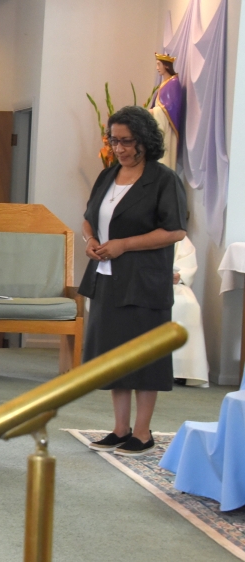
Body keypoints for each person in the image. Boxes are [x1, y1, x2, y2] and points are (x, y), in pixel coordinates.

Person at [80, 105, 187, 457]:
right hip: (108, 279)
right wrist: (91, 242)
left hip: (144, 282)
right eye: (115, 141)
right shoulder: (108, 175)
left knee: (143, 357)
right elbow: (89, 217)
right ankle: (120, 429)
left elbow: (174, 231)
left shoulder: (163, 179)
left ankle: (142, 434)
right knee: (115, 356)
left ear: (144, 140)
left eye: (127, 141)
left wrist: (124, 244)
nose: (120, 148)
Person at [171, 236, 209, 387]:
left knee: (187, 304)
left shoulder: (177, 236)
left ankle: (181, 371)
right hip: (139, 284)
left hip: (170, 284)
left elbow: (185, 265)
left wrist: (179, 275)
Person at [150, 53, 182, 170]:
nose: (157, 68)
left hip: (166, 128)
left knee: (164, 156)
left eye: (159, 64)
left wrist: (155, 112)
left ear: (166, 66)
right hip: (159, 126)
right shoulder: (164, 83)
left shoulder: (173, 83)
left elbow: (171, 106)